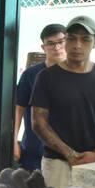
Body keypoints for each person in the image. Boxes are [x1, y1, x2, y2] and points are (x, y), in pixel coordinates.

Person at [30, 15, 95, 188]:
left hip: (92, 162)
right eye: (71, 38)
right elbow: (38, 123)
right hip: (57, 163)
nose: (77, 45)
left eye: (85, 39)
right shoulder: (47, 77)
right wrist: (70, 154)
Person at [14, 23, 67, 172]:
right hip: (35, 154)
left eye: (61, 41)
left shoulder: (80, 75)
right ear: (43, 47)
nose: (57, 47)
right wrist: (14, 142)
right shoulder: (30, 75)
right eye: (51, 43)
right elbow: (18, 109)